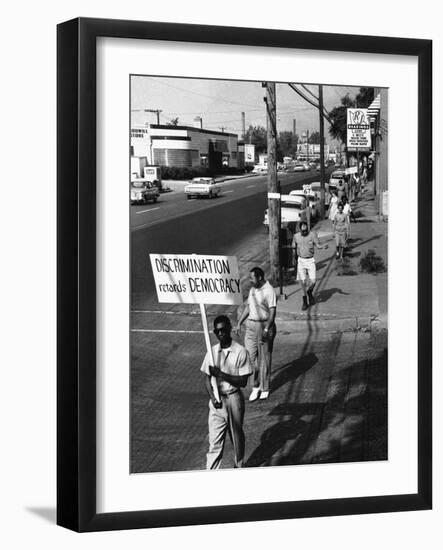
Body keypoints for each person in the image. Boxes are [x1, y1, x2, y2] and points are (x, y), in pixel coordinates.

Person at [200, 315, 252, 469]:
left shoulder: (240, 351)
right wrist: (213, 397)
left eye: (223, 330)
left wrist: (221, 374)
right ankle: (211, 474)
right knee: (215, 443)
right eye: (217, 331)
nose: (220, 333)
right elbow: (206, 379)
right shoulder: (212, 352)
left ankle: (239, 466)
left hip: (233, 399)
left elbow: (243, 382)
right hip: (217, 402)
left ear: (229, 328)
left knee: (236, 437)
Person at [235, 267, 276, 402]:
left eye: (252, 278)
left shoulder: (269, 291)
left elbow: (272, 312)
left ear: (259, 277)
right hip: (251, 326)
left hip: (264, 325)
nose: (250, 280)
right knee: (250, 358)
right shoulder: (253, 289)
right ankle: (255, 386)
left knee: (264, 358)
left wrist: (267, 329)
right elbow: (248, 306)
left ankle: (265, 388)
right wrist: (240, 322)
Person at [293, 221, 328, 310]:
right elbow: (294, 247)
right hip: (301, 261)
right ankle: (305, 302)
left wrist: (323, 246)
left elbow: (318, 245)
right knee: (303, 282)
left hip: (310, 260)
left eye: (306, 230)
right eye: (303, 231)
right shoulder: (296, 236)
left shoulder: (312, 235)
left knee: (313, 281)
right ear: (300, 230)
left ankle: (309, 291)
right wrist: (294, 258)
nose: (304, 232)